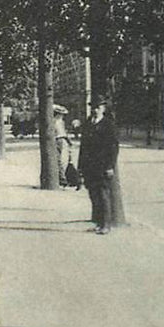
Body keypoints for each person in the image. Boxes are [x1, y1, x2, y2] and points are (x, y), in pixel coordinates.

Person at [78, 96, 119, 234]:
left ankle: (106, 224)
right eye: (93, 107)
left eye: (98, 107)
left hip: (102, 165)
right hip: (89, 166)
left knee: (103, 194)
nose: (95, 110)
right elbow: (83, 146)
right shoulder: (88, 123)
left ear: (103, 108)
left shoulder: (108, 124)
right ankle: (98, 222)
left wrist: (110, 166)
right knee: (93, 194)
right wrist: (80, 166)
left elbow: (113, 147)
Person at [53, 105, 72, 186]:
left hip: (58, 140)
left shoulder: (55, 121)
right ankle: (61, 177)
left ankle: (62, 178)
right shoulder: (58, 121)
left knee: (58, 159)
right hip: (60, 140)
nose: (63, 116)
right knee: (59, 159)